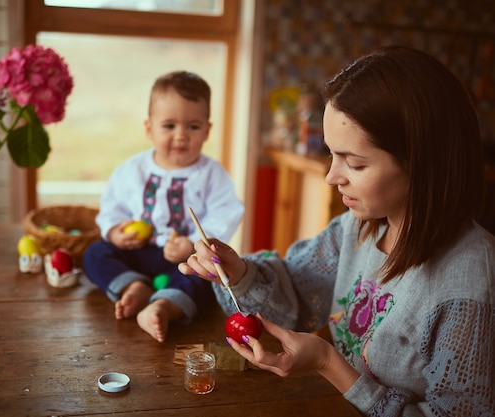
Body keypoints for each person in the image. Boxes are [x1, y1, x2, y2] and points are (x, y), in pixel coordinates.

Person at [179, 46, 495, 416]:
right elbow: (296, 286)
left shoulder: (471, 285)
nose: (332, 177)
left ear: (423, 164)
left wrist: (329, 363)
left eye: (355, 163)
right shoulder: (359, 227)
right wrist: (240, 273)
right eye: (332, 154)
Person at [83, 70, 244, 343]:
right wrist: (116, 232)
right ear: (149, 128)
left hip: (182, 261)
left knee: (208, 277)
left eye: (192, 126)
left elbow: (226, 212)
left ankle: (164, 306)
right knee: (95, 253)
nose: (181, 136)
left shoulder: (211, 174)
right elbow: (112, 204)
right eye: (169, 126)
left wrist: (193, 244)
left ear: (207, 130)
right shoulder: (132, 170)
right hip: (137, 253)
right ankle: (134, 286)